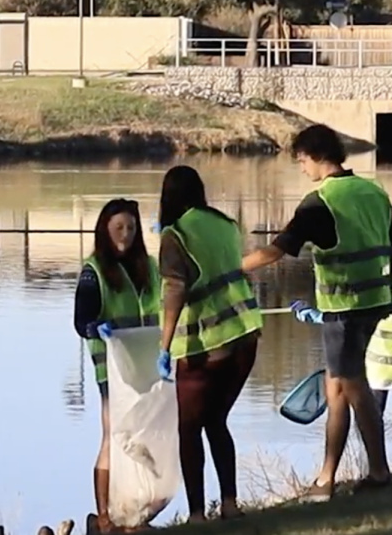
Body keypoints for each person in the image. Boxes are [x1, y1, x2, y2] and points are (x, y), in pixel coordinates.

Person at [241, 124, 392, 500]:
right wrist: (389, 289)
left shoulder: (321, 201)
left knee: (353, 385)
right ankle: (325, 479)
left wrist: (232, 268)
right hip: (372, 304)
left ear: (315, 157)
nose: (301, 168)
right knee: (335, 389)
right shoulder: (372, 191)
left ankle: (379, 472)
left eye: (301, 160)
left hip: (343, 310)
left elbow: (277, 250)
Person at [156, 166, 262, 523]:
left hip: (208, 344)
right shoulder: (224, 223)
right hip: (246, 334)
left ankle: (198, 514)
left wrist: (165, 346)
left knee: (188, 428)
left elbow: (174, 291)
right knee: (217, 421)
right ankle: (230, 504)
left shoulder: (176, 234)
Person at [73, 198, 160, 533]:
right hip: (111, 369)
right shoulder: (93, 271)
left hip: (148, 367)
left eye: (131, 228)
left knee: (144, 441)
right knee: (114, 437)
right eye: (119, 228)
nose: (125, 234)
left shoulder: (148, 266)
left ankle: (134, 517)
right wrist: (96, 328)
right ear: (105, 230)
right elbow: (81, 321)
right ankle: (106, 519)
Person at [291, 274, 392, 463]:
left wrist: (326, 319)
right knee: (366, 419)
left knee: (367, 420)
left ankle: (372, 470)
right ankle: (370, 469)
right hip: (370, 363)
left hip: (377, 365)